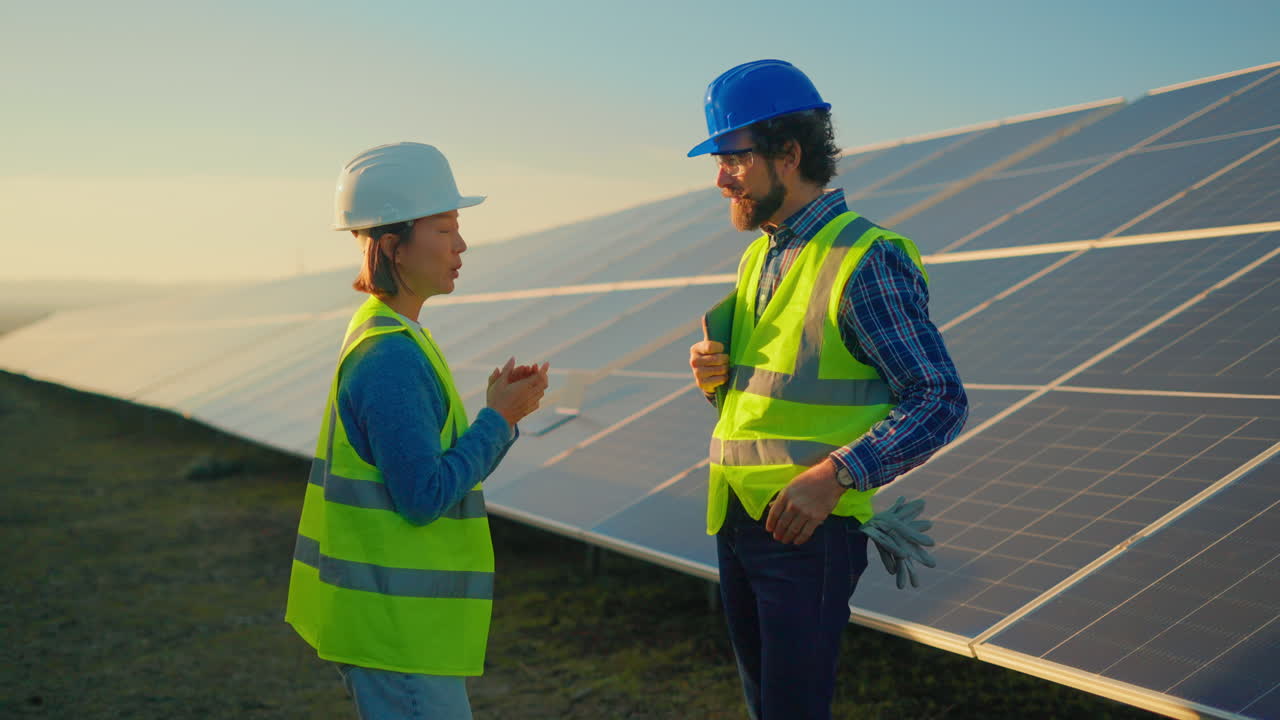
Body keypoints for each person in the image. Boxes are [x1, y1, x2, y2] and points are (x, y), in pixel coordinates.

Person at [687, 60, 969, 720]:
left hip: (806, 533)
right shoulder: (761, 253)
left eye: (732, 157)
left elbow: (938, 397)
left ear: (788, 153)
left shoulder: (863, 258)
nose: (720, 177)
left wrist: (836, 476)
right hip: (739, 521)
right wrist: (716, 383)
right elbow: (782, 388)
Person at [285, 142, 549, 720]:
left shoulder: (394, 337)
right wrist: (498, 420)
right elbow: (423, 495)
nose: (461, 245)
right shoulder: (391, 359)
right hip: (397, 635)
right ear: (392, 248)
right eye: (445, 228)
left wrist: (494, 416)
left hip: (398, 631)